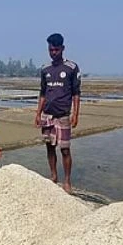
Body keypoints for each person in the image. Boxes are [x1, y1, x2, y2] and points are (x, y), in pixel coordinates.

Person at [34, 33, 81, 193]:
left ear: (62, 48)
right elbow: (42, 93)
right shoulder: (45, 69)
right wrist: (38, 113)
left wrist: (75, 114)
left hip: (63, 115)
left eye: (56, 49)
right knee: (49, 146)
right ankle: (53, 176)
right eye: (50, 50)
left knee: (65, 149)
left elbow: (76, 93)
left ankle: (67, 181)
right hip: (47, 115)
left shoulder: (71, 68)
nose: (53, 52)